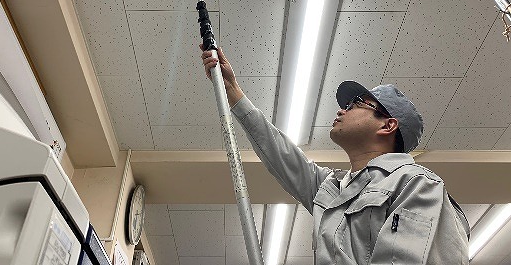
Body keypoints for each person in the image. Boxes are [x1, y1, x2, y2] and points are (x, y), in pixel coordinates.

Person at [201, 47, 470, 265]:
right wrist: (233, 92)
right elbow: (281, 154)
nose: (342, 110)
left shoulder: (417, 185)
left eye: (356, 104)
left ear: (388, 125)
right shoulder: (332, 188)